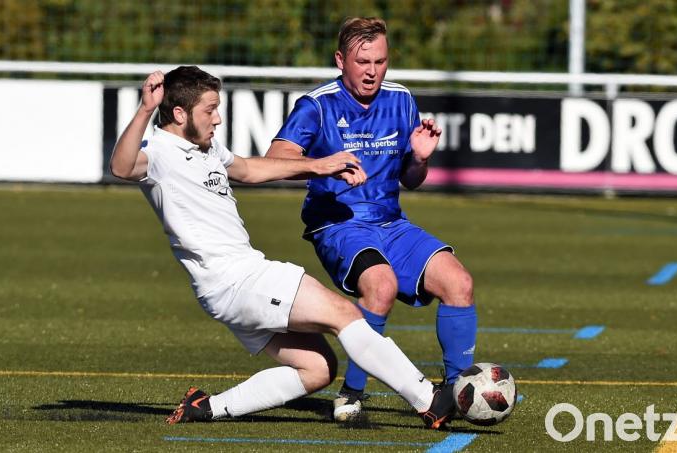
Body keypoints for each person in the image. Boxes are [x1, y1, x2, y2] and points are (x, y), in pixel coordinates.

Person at [109, 66, 456, 429]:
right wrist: (146, 109)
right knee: (347, 315)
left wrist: (319, 166)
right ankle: (429, 400)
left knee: (318, 368)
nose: (218, 118)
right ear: (179, 114)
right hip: (237, 279)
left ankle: (205, 407)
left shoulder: (206, 147)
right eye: (210, 109)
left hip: (228, 285)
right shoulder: (160, 150)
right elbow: (121, 166)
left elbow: (249, 170)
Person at [266, 17, 477, 422]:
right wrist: (326, 165)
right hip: (338, 224)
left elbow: (411, 181)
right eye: (363, 62)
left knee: (459, 282)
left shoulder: (400, 100)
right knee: (380, 285)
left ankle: (456, 392)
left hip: (390, 223)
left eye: (380, 61)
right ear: (340, 60)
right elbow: (275, 160)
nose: (372, 71)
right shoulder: (317, 105)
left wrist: (420, 157)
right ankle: (351, 394)